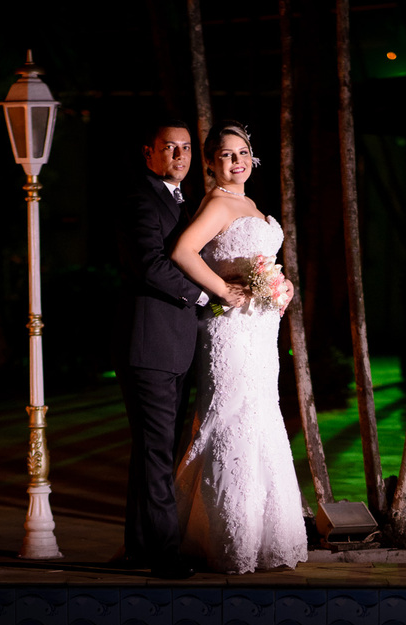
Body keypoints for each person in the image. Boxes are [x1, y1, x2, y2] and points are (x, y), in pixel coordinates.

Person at [171, 121, 308, 575]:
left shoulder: (246, 201)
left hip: (259, 333)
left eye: (243, 152)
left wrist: (276, 284)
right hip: (230, 333)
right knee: (231, 419)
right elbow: (184, 252)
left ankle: (263, 535)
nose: (237, 161)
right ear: (211, 164)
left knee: (260, 417)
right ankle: (224, 537)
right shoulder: (217, 202)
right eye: (227, 155)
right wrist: (223, 292)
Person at [115, 118, 248, 579]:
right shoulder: (140, 199)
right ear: (149, 152)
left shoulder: (185, 202)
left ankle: (138, 547)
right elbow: (150, 264)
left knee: (154, 450)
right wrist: (204, 294)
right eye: (169, 148)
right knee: (156, 452)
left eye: (187, 148)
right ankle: (164, 556)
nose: (180, 156)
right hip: (148, 345)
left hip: (177, 346)